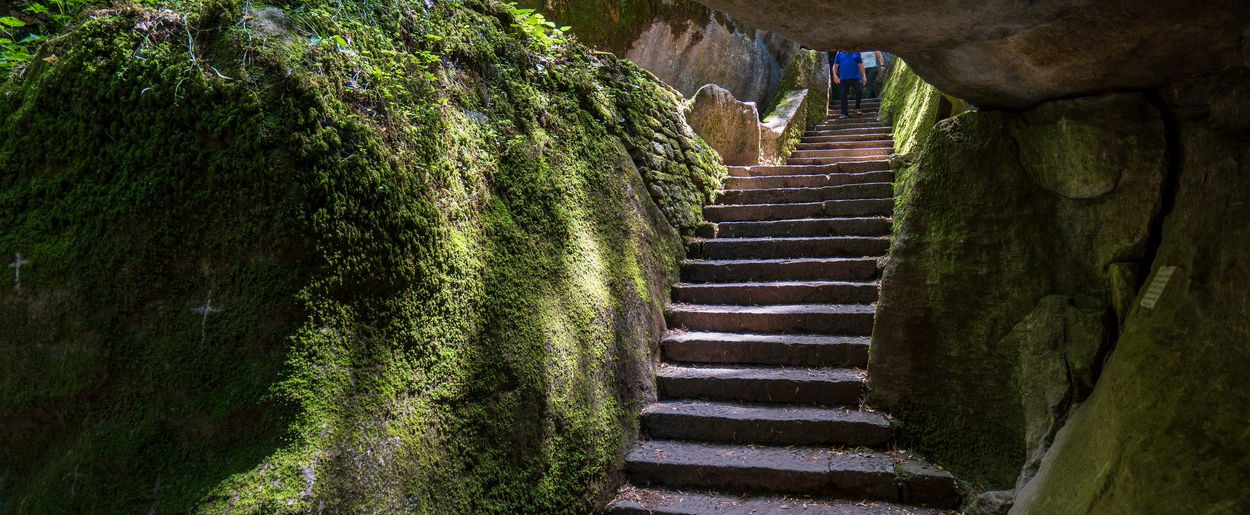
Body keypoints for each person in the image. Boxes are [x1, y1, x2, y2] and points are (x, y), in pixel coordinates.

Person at [831, 50, 867, 118]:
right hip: (844, 78)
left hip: (856, 77)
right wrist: (835, 76)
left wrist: (864, 76)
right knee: (843, 94)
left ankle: (857, 108)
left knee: (859, 90)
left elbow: (860, 64)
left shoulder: (856, 52)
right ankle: (844, 113)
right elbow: (835, 65)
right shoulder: (839, 53)